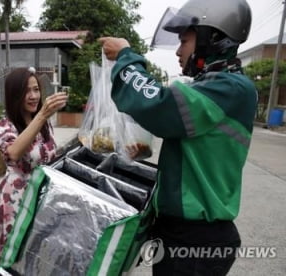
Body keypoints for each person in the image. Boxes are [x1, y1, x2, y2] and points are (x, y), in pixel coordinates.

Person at [99, 0, 256, 275]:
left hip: (196, 239)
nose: (178, 51)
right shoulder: (214, 85)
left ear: (212, 38)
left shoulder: (231, 88)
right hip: (182, 234)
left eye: (184, 41)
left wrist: (126, 56)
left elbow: (159, 105)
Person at [0, 67, 68, 264]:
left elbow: (50, 157)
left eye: (36, 89)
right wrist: (43, 114)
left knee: (37, 254)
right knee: (15, 254)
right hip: (17, 199)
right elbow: (14, 153)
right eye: (26, 91)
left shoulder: (43, 124)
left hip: (42, 198)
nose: (33, 96)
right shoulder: (5, 125)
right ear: (14, 95)